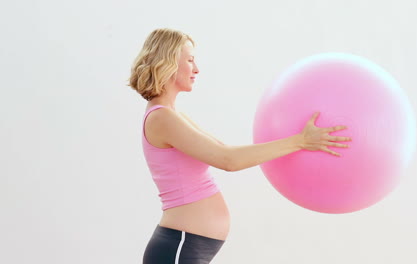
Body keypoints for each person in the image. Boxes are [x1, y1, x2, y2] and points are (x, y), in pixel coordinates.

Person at [128, 28, 352, 264]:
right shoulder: (162, 118)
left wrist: (295, 141)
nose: (196, 69)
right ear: (169, 62)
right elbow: (228, 161)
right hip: (180, 247)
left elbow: (225, 150)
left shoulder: (173, 116)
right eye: (190, 60)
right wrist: (300, 141)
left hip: (187, 246)